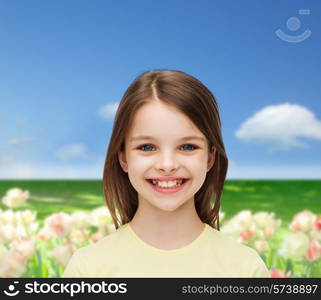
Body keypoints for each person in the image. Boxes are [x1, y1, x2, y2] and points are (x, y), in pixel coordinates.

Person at [62, 69, 270, 277]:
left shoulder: (245, 268)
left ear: (210, 158)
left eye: (187, 147)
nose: (167, 164)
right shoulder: (87, 268)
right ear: (123, 158)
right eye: (147, 147)